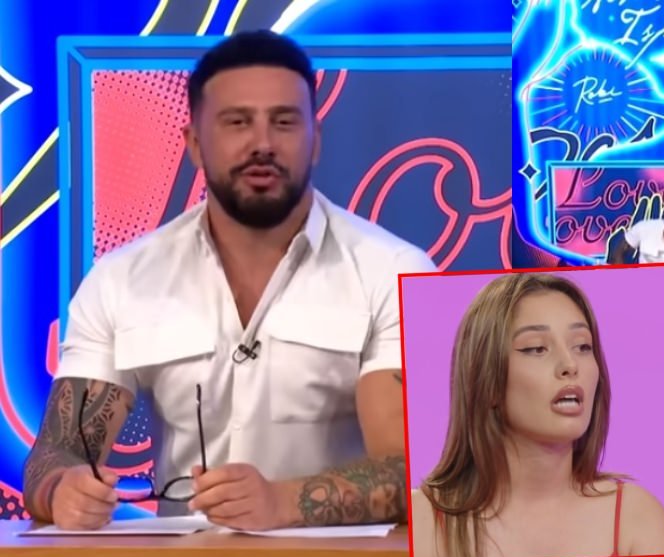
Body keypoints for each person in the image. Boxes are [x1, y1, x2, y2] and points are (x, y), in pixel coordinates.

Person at [20, 30, 437, 531]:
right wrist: (63, 490)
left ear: (316, 140)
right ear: (195, 144)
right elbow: (56, 454)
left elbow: (425, 473)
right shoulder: (120, 279)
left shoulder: (398, 271)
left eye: (284, 122)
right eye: (237, 122)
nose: (262, 144)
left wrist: (282, 503)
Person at [410, 273, 664, 557]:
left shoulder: (637, 521)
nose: (570, 365)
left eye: (582, 346)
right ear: (487, 380)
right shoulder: (423, 523)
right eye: (537, 348)